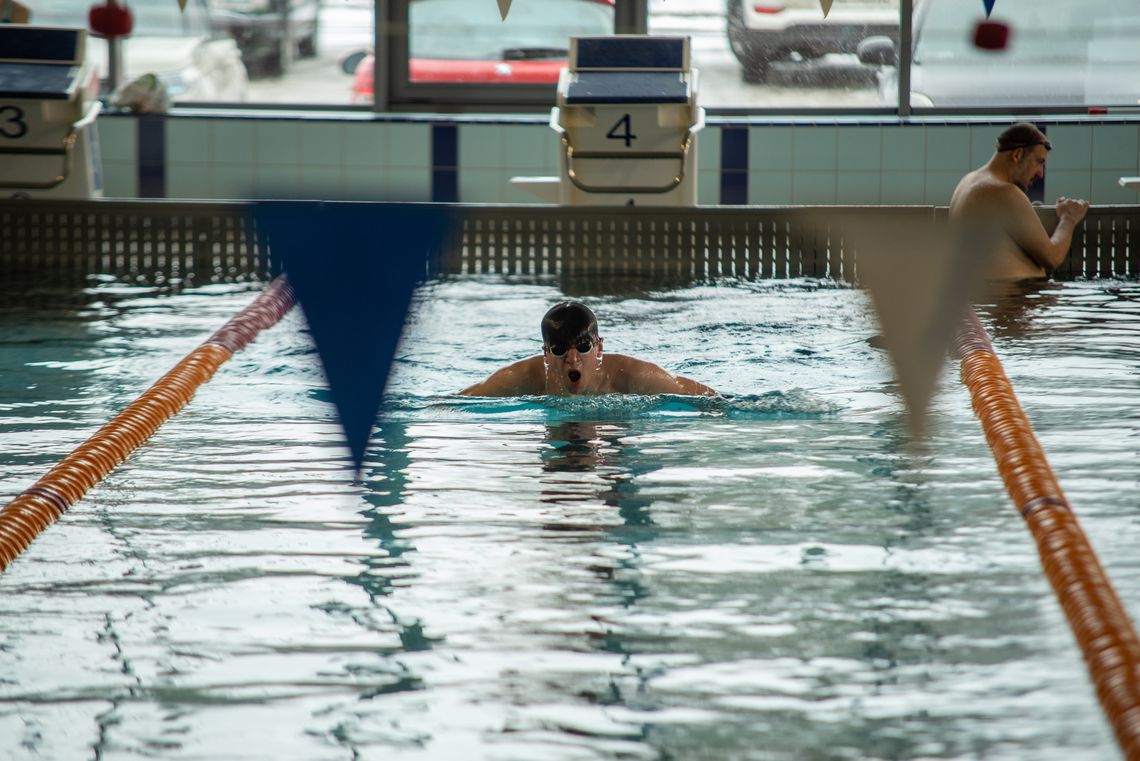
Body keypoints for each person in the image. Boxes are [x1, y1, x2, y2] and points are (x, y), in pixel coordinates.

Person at [459, 301, 717, 397]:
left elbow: (703, 396)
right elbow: (459, 401)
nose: (573, 359)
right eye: (560, 349)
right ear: (546, 353)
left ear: (599, 347)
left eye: (582, 346)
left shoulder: (631, 375)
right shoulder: (523, 378)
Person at [950, 122, 1089, 281]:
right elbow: (1052, 258)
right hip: (1010, 296)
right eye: (1039, 161)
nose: (1040, 173)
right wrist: (1068, 219)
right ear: (1017, 155)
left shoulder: (968, 181)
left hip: (991, 295)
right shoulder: (1002, 192)